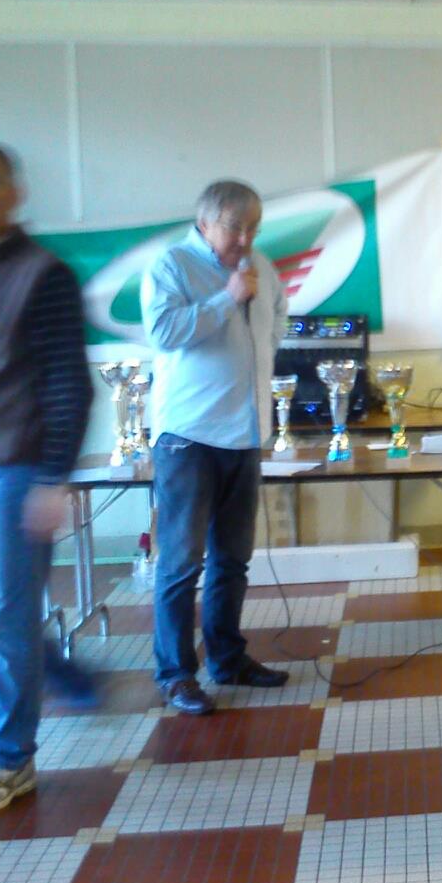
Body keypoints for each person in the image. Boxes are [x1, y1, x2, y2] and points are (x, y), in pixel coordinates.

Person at [142, 180, 290, 716]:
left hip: (244, 434)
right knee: (182, 563)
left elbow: (276, 323)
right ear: (204, 223)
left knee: (233, 560)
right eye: (234, 227)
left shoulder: (262, 266)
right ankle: (176, 674)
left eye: (254, 227)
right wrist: (226, 299)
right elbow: (163, 331)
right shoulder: (173, 265)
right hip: (188, 437)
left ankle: (227, 659)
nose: (245, 238)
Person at [0, 143, 94, 813]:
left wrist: (53, 477)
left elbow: (68, 383)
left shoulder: (43, 274)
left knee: (5, 612)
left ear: (15, 192)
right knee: (5, 612)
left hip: (16, 467)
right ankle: (59, 670)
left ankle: (10, 758)